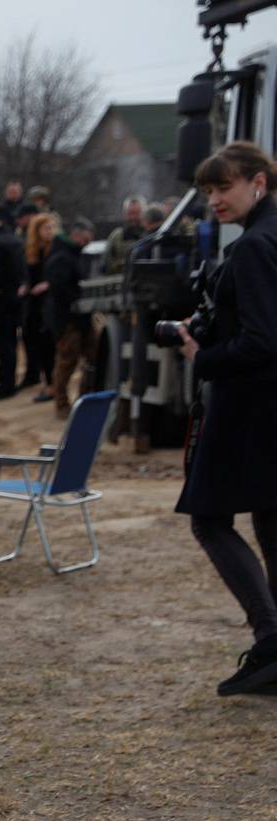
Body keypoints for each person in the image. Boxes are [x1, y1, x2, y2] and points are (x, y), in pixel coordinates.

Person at [175, 142, 277, 694]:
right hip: (265, 407)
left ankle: (269, 639)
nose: (214, 199)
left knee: (209, 518)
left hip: (251, 407)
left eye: (225, 187)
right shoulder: (266, 237)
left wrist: (203, 355)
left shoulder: (257, 246)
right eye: (209, 190)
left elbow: (263, 340)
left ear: (257, 182)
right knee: (270, 521)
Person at [44, 216, 94, 418]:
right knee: (66, 362)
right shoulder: (62, 257)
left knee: (90, 357)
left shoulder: (70, 254)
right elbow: (59, 289)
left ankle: (84, 399)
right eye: (86, 239)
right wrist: (77, 300)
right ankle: (62, 404)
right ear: (78, 236)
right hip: (67, 319)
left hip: (79, 317)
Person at [0, 211, 27, 400]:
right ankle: (11, 381)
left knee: (2, 344)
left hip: (0, 299)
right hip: (16, 296)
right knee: (11, 342)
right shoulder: (15, 240)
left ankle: (5, 384)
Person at [22, 209, 56, 398]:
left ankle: (52, 385)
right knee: (36, 342)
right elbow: (30, 274)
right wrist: (26, 286)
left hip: (49, 304)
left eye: (51, 227)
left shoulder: (57, 249)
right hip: (34, 304)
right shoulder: (32, 252)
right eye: (46, 228)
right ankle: (46, 381)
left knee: (48, 344)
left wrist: (48, 285)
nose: (50, 231)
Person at [104, 197, 148, 273]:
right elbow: (107, 264)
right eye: (130, 213)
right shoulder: (116, 236)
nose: (133, 217)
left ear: (143, 213)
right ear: (125, 214)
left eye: (137, 213)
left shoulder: (150, 235)